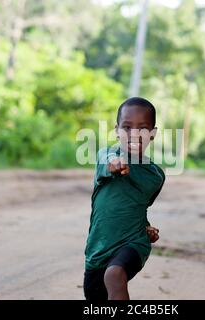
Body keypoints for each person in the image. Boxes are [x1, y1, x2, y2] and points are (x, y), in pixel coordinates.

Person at [83, 97, 165, 301]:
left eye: (143, 128)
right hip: (99, 247)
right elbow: (108, 161)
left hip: (133, 242)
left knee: (114, 274)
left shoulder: (154, 176)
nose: (134, 134)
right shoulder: (106, 155)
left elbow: (139, 206)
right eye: (127, 127)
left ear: (153, 134)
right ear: (116, 130)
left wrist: (145, 227)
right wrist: (114, 164)